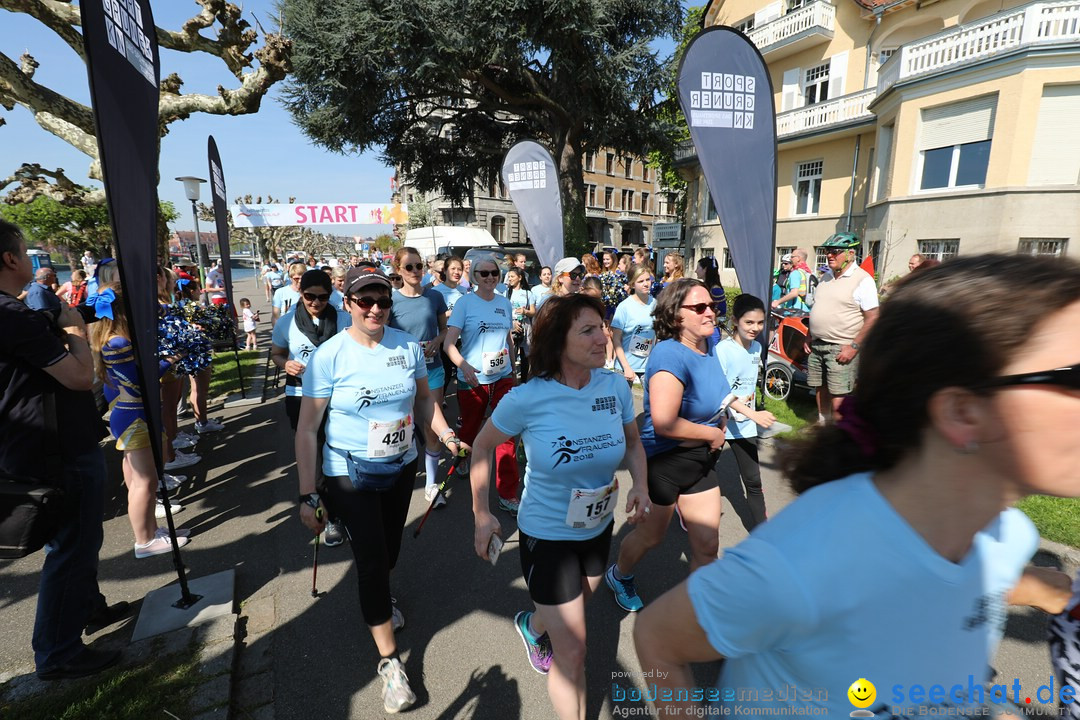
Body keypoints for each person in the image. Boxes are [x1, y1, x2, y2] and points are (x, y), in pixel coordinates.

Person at [634, 254, 1080, 717]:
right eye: (1074, 375)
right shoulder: (815, 556)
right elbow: (657, 639)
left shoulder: (1007, 539)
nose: (712, 314)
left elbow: (936, 595)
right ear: (962, 412)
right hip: (675, 462)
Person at [470, 293, 649, 720]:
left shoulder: (614, 386)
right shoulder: (527, 398)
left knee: (572, 608)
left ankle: (532, 627)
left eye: (602, 326)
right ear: (556, 340)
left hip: (597, 528)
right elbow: (481, 447)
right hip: (547, 534)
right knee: (573, 650)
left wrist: (640, 483)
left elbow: (634, 442)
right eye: (587, 330)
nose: (602, 337)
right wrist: (481, 513)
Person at [297, 265, 463, 714]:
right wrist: (307, 493)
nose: (375, 308)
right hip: (347, 472)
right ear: (347, 303)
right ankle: (390, 664)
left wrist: (447, 437)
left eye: (382, 300)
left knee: (388, 553)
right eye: (364, 300)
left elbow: (426, 401)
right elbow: (308, 427)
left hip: (400, 466)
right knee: (371, 560)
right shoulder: (329, 355)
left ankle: (382, 594)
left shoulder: (407, 345)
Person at [0, 220, 128, 679]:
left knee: (76, 543)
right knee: (73, 546)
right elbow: (79, 377)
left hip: (36, 445)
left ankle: (86, 609)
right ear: (12, 258)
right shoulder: (11, 316)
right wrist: (72, 327)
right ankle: (57, 650)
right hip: (58, 450)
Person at [606, 278, 730, 613]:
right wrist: (712, 434)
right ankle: (620, 574)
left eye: (712, 306)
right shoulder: (668, 354)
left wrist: (721, 418)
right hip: (664, 461)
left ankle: (702, 618)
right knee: (652, 537)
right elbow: (663, 421)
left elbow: (710, 395)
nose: (710, 312)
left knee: (707, 544)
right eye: (700, 307)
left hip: (699, 460)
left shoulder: (708, 344)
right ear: (676, 316)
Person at [89, 283, 192, 558]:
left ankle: (150, 530)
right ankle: (144, 541)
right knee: (145, 481)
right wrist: (170, 359)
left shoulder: (114, 339)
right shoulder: (118, 342)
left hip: (135, 415)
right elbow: (137, 381)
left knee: (139, 478)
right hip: (136, 416)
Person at [273, 270, 352, 545]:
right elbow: (277, 353)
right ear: (300, 294)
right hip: (300, 394)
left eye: (322, 296)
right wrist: (286, 365)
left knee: (338, 451)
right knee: (315, 456)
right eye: (310, 296)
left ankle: (343, 510)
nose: (316, 302)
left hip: (337, 395)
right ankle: (328, 516)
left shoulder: (344, 319)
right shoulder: (286, 323)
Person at [443, 258, 520, 515]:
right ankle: (463, 457)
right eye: (483, 273)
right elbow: (449, 344)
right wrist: (463, 366)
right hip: (473, 378)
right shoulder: (465, 303)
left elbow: (508, 339)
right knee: (471, 432)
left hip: (503, 378)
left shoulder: (504, 302)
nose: (489, 277)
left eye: (494, 272)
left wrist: (514, 371)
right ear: (474, 275)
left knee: (506, 435)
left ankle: (508, 493)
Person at [388, 247, 450, 507]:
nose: (415, 271)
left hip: (432, 367)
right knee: (403, 425)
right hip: (400, 371)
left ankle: (431, 484)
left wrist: (437, 339)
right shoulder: (390, 301)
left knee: (431, 425)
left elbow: (445, 328)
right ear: (398, 270)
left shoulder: (434, 296)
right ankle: (395, 477)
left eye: (419, 266)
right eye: (409, 267)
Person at [714, 294, 775, 529]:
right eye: (749, 322)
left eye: (760, 323)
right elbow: (721, 391)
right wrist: (754, 414)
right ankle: (682, 503)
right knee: (700, 472)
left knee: (753, 480)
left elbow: (748, 385)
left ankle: (762, 532)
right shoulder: (722, 350)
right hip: (718, 422)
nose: (755, 328)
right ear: (735, 321)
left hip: (745, 424)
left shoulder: (758, 347)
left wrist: (751, 412)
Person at [806, 233, 879, 423]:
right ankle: (824, 427)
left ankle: (840, 436)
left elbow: (873, 317)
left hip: (841, 347)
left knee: (840, 396)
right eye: (827, 251)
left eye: (835, 252)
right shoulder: (825, 277)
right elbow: (817, 308)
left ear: (851, 253)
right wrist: (808, 335)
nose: (829, 255)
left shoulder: (863, 279)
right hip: (817, 345)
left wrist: (853, 347)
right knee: (820, 388)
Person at [611, 264, 657, 386]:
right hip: (624, 365)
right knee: (622, 404)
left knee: (653, 402)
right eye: (640, 281)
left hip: (647, 366)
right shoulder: (624, 307)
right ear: (632, 284)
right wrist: (626, 367)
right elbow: (616, 339)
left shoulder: (656, 304)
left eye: (648, 279)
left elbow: (657, 334)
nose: (646, 284)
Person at [504, 267, 535, 382]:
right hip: (510, 327)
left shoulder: (528, 293)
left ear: (520, 278)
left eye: (512, 276)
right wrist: (511, 324)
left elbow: (533, 312)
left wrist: (525, 312)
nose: (510, 279)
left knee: (525, 356)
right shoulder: (506, 293)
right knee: (510, 354)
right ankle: (511, 379)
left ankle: (524, 381)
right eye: (509, 276)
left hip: (525, 327)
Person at [695, 256, 728, 340]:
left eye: (698, 268)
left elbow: (721, 312)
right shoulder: (704, 286)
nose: (695, 271)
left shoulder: (715, 290)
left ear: (705, 269)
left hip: (711, 331)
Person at [271, 262, 307, 327]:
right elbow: (275, 316)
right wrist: (276, 332)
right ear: (290, 278)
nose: (300, 281)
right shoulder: (280, 292)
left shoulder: (310, 292)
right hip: (286, 328)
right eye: (296, 278)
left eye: (303, 278)